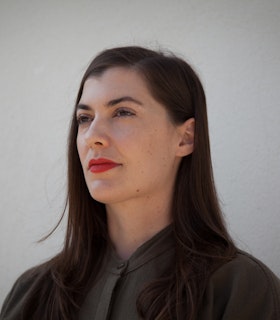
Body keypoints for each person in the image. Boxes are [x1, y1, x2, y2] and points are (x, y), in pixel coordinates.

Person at [0, 46, 279, 320]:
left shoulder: (239, 290)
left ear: (185, 137)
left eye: (123, 112)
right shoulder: (32, 293)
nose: (92, 136)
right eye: (84, 118)